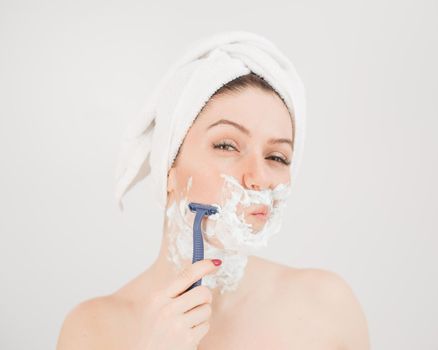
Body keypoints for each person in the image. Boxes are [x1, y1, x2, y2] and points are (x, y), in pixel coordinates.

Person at [56, 72, 370, 349]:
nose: (258, 178)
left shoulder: (327, 307)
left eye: (277, 157)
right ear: (169, 167)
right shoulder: (91, 331)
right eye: (226, 146)